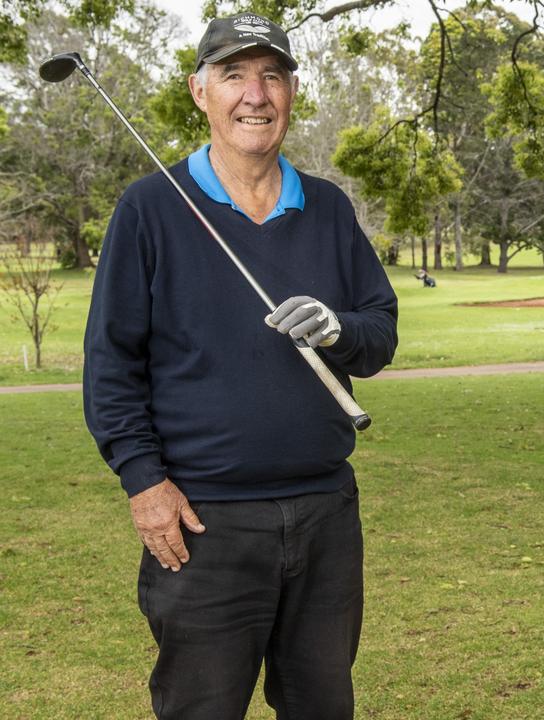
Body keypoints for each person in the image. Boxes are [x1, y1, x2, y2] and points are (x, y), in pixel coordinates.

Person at [82, 13, 397, 720]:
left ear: (290, 92)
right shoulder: (149, 208)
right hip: (203, 523)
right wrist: (145, 483)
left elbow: (378, 334)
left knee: (323, 707)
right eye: (233, 75)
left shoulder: (327, 208)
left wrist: (337, 327)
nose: (255, 94)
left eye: (272, 75)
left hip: (324, 515)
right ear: (201, 92)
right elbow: (111, 365)